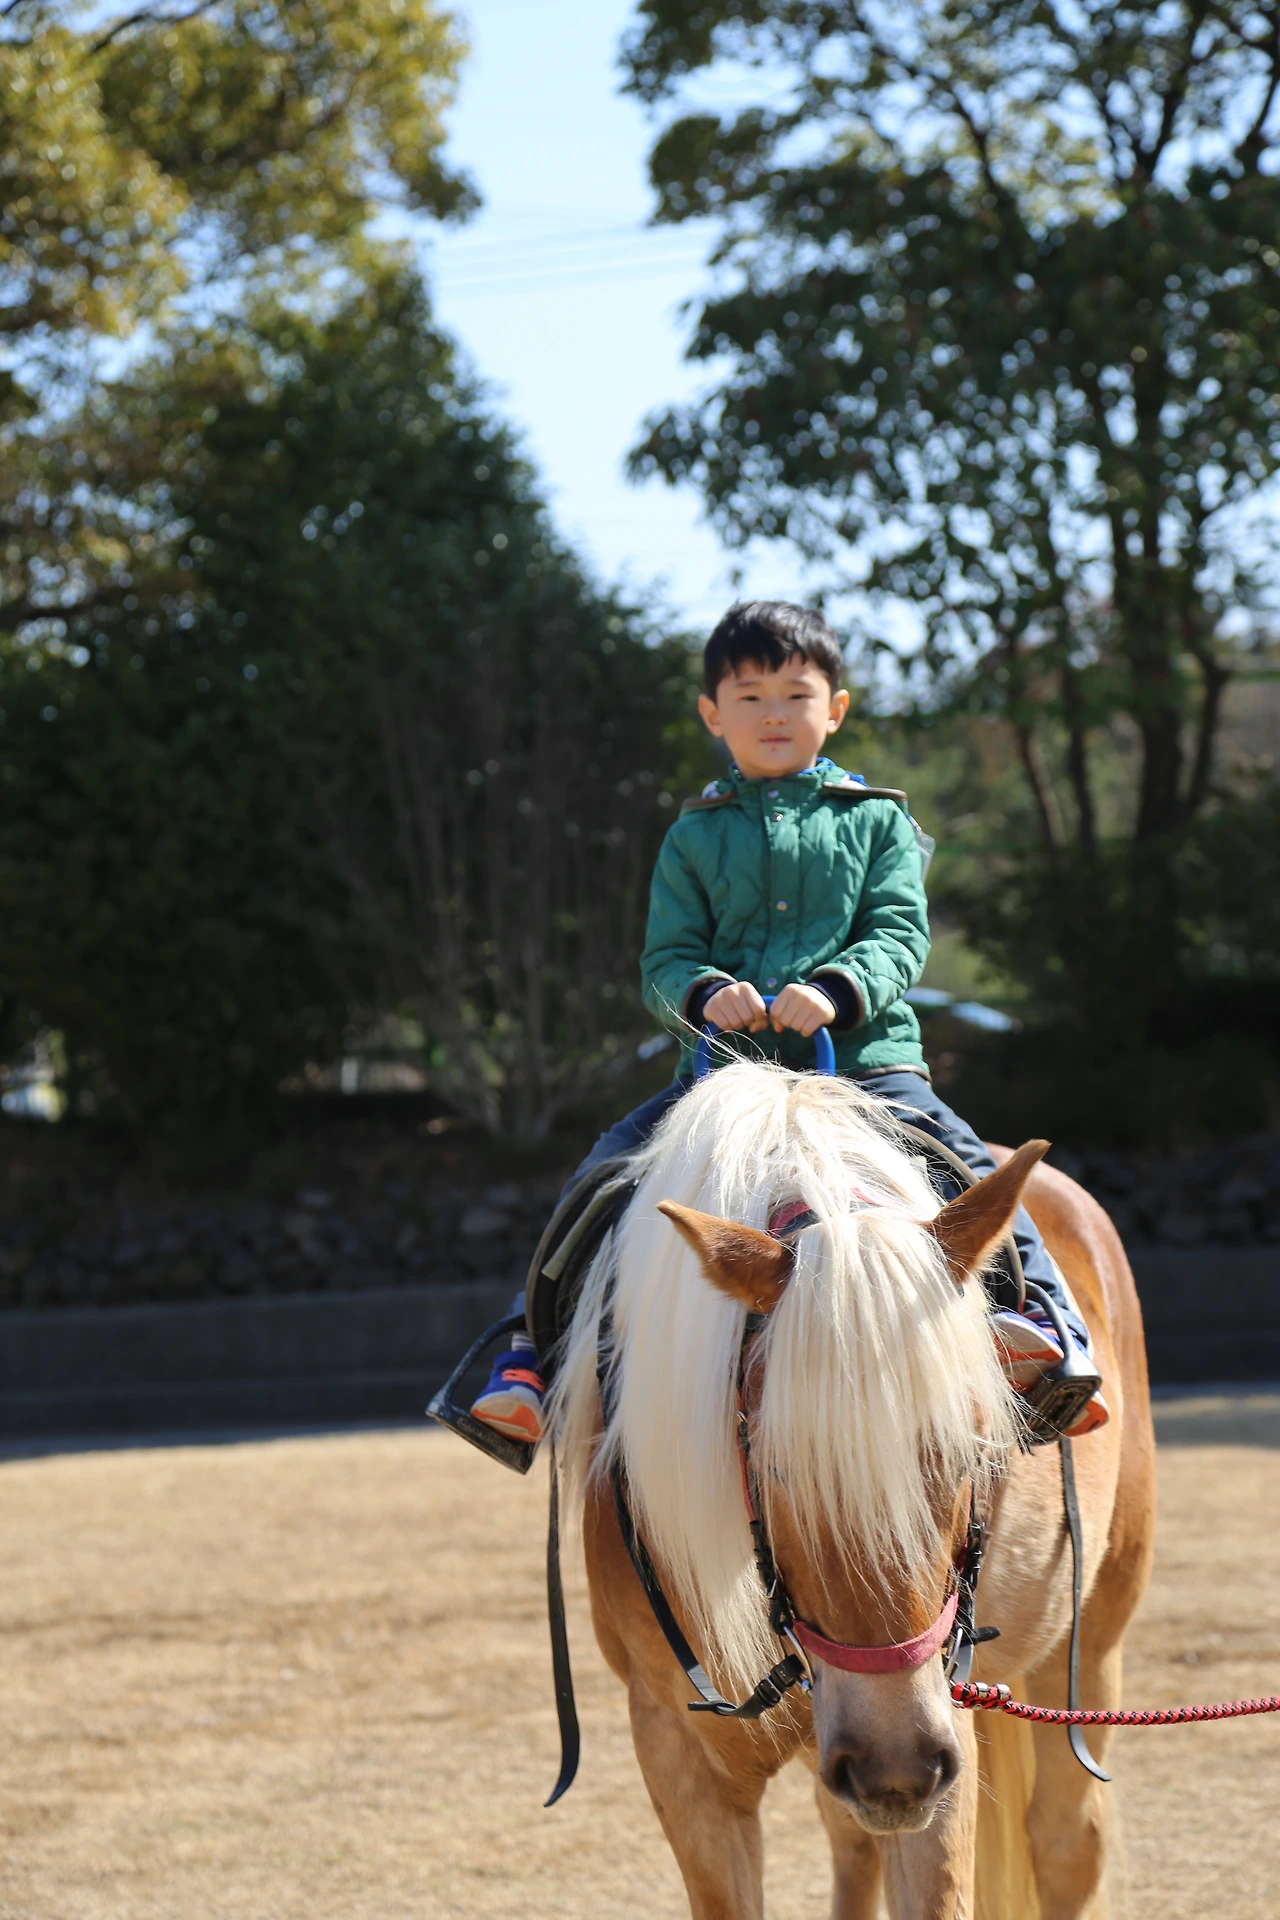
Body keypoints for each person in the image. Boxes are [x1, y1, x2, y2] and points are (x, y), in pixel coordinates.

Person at [471, 601, 1108, 1446]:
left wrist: (839, 990)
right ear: (712, 715)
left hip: (868, 1064)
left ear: (834, 709)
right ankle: (530, 1354)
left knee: (966, 1163)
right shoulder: (691, 837)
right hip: (723, 1078)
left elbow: (899, 935)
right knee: (602, 1172)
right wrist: (702, 995)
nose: (774, 713)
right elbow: (664, 962)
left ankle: (1046, 1327)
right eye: (749, 696)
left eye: (796, 695)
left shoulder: (878, 820)